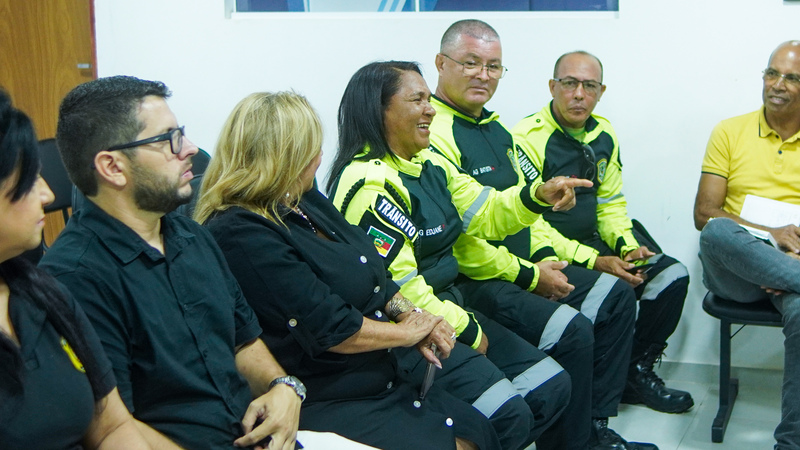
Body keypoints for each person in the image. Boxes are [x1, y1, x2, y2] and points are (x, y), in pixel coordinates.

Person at [194, 91, 502, 450]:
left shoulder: (303, 198)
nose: (320, 157)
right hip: (330, 394)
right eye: (312, 148)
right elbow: (330, 326)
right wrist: (408, 332)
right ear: (286, 156)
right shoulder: (240, 232)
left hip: (381, 374)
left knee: (482, 430)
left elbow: (374, 269)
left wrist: (408, 313)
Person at [327, 60, 594, 449]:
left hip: (452, 307)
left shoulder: (429, 162)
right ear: (379, 110)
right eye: (417, 100)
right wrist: (466, 329)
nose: (431, 110)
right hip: (409, 334)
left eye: (428, 99)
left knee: (550, 387)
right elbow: (399, 290)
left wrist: (536, 196)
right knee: (508, 414)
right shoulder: (369, 183)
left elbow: (486, 210)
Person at [428, 20, 660, 450]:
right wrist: (531, 274)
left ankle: (593, 428)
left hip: (522, 264)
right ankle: (576, 441)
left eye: (494, 66)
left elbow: (530, 217)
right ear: (442, 64)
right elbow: (464, 235)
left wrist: (576, 259)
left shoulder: (497, 130)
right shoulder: (433, 132)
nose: (483, 75)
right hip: (478, 279)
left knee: (617, 295)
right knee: (574, 331)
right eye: (471, 63)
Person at [38, 76, 303, 450]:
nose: (191, 149)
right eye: (168, 139)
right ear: (113, 167)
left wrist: (282, 387)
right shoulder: (75, 278)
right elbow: (113, 426)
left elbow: (242, 341)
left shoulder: (192, 235)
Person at [511, 50, 693, 415]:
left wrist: (626, 246)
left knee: (670, 276)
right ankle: (595, 411)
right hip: (551, 253)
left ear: (601, 91)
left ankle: (634, 373)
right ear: (552, 87)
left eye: (589, 86)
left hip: (596, 244)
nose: (579, 94)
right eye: (569, 83)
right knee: (612, 294)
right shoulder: (526, 137)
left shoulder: (604, 132)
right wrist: (595, 260)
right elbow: (530, 222)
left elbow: (610, 203)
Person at [0, 90, 151, 449]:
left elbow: (112, 426)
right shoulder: (75, 269)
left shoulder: (41, 292)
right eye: (30, 179)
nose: (48, 195)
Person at [694, 40, 800, 450]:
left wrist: (790, 257)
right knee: (716, 232)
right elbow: (704, 213)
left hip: (794, 265)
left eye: (792, 77)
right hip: (739, 270)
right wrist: (770, 235)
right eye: (772, 73)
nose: (778, 84)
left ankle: (790, 443)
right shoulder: (730, 131)